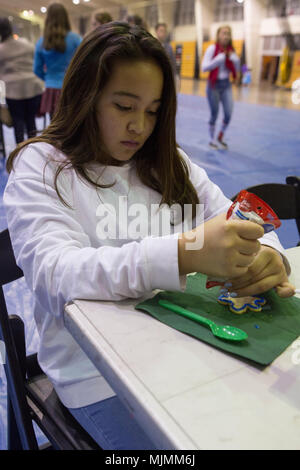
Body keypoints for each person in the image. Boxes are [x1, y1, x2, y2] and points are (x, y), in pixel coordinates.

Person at [3, 22, 294, 450]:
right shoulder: (42, 167)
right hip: (96, 376)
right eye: (124, 106)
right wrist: (185, 254)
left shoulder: (167, 161)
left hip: (189, 344)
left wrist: (269, 255)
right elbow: (55, 275)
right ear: (86, 97)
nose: (140, 126)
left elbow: (229, 217)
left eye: (154, 111)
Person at [33, 2, 81, 119]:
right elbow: (84, 62)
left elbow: (37, 69)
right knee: (71, 123)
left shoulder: (42, 41)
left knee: (55, 125)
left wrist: (49, 78)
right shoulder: (76, 39)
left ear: (48, 18)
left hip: (51, 89)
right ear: (65, 17)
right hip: (71, 87)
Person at [0, 17, 44, 144]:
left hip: (13, 91)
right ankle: (34, 149)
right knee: (31, 120)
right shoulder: (26, 43)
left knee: (17, 121)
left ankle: (20, 151)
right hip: (33, 87)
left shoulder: (1, 49)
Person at [202, 25, 240, 150]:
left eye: (228, 33)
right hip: (213, 85)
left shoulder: (231, 51)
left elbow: (237, 70)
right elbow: (204, 68)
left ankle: (220, 136)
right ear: (218, 35)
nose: (226, 36)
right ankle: (212, 140)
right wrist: (217, 61)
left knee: (228, 114)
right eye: (223, 33)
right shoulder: (212, 49)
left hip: (226, 85)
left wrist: (236, 62)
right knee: (214, 114)